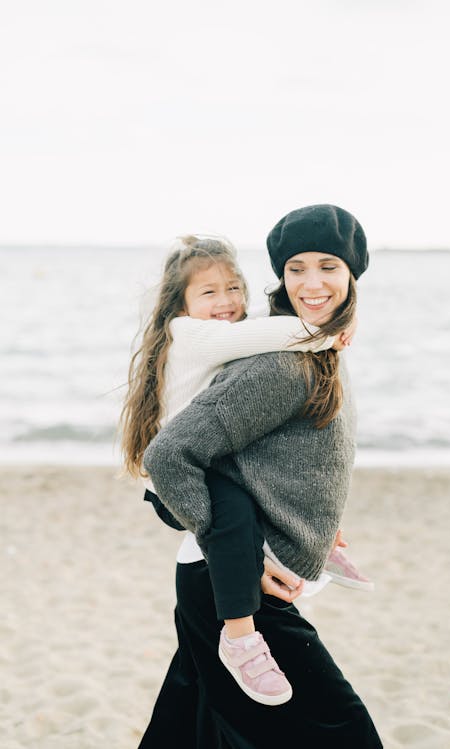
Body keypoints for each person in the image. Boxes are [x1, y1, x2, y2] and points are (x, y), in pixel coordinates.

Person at [138, 204, 383, 747]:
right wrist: (240, 561)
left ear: (353, 272)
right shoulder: (283, 359)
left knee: (190, 731)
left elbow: (292, 455)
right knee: (344, 736)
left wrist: (320, 519)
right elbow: (170, 456)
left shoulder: (310, 346)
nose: (312, 282)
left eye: (328, 266)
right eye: (296, 269)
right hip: (236, 588)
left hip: (226, 578)